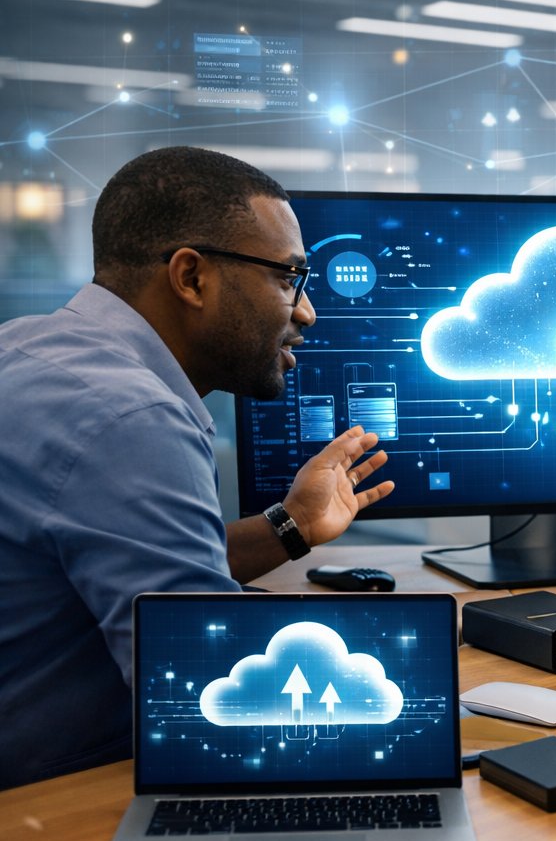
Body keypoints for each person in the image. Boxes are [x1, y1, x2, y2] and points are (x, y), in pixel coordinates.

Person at [0, 146, 395, 792]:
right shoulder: (130, 417)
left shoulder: (27, 345)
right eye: (287, 277)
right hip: (46, 808)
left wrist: (291, 524)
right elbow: (206, 693)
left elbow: (137, 570)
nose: (305, 311)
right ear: (191, 277)